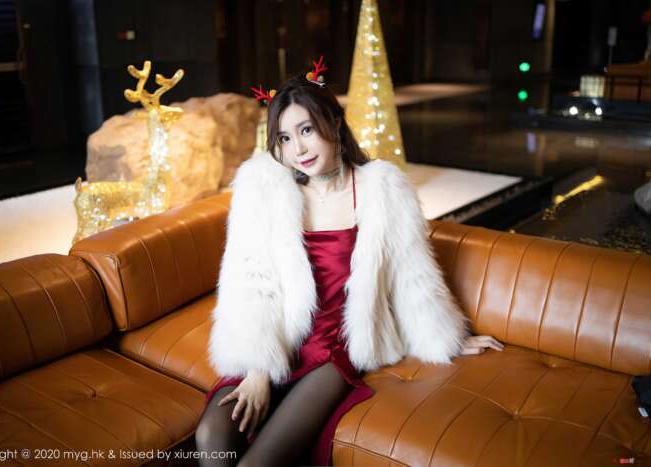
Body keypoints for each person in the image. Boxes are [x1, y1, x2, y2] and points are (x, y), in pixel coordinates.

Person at [195, 66, 504, 467]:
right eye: (285, 138)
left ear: (335, 123)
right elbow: (249, 284)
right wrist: (258, 370)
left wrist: (445, 337)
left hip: (334, 349)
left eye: (307, 130)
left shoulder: (381, 190)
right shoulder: (264, 189)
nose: (298, 149)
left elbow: (411, 274)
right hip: (273, 340)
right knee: (212, 437)